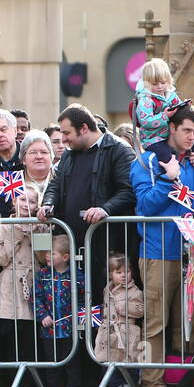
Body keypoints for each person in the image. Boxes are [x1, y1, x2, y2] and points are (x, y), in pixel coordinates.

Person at [40, 105, 136, 324]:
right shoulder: (69, 155)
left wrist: (105, 209)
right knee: (77, 308)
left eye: (66, 133)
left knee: (103, 307)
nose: (62, 140)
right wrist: (48, 204)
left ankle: (101, 357)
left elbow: (128, 191)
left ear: (83, 128)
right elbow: (55, 185)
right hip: (73, 245)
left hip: (106, 245)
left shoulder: (118, 150)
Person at [127, 103, 194, 387]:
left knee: (188, 323)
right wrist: (169, 177)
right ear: (172, 128)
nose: (192, 137)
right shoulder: (147, 162)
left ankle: (185, 382)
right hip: (158, 252)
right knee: (157, 321)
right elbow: (144, 207)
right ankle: (153, 382)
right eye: (187, 131)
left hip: (190, 254)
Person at [0, 189, 47, 387]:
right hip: (9, 284)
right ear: (14, 201)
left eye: (32, 201)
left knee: (30, 339)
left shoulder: (41, 225)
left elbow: (44, 258)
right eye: (23, 199)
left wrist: (34, 233)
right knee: (10, 338)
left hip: (34, 282)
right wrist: (16, 233)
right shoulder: (3, 226)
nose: (27, 204)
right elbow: (1, 259)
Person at [34, 233, 86, 387]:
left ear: (65, 257)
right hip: (49, 329)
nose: (48, 255)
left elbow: (84, 296)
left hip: (70, 328)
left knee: (73, 363)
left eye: (52, 253)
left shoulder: (76, 275)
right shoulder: (42, 274)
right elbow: (36, 297)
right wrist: (42, 315)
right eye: (47, 252)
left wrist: (79, 316)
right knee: (52, 363)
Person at [96, 253, 146, 387]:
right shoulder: (107, 289)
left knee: (129, 360)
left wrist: (123, 307)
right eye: (119, 272)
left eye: (127, 271)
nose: (124, 275)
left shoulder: (135, 290)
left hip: (127, 331)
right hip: (109, 331)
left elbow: (140, 309)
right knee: (108, 359)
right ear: (111, 274)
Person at [132, 58, 181, 151]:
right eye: (155, 84)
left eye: (163, 82)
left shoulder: (171, 95)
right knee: (166, 156)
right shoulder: (146, 100)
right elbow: (145, 121)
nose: (160, 86)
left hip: (170, 136)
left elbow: (180, 109)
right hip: (153, 140)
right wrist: (164, 116)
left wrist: (185, 107)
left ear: (169, 81)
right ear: (146, 84)